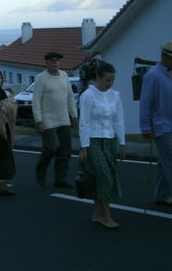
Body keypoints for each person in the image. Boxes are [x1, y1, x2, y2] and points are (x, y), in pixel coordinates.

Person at [78, 61, 125, 228]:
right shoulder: (88, 95)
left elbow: (118, 120)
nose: (110, 83)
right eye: (107, 80)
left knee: (105, 177)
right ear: (98, 78)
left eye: (112, 80)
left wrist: (122, 142)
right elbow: (84, 122)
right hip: (93, 141)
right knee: (104, 177)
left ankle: (97, 214)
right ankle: (107, 216)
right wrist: (84, 147)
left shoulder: (115, 95)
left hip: (109, 140)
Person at [32, 51, 78, 187]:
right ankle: (40, 172)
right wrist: (38, 121)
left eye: (57, 61)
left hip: (64, 119)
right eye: (52, 61)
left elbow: (70, 97)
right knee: (51, 148)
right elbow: (36, 101)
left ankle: (60, 179)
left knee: (65, 151)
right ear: (46, 62)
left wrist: (74, 115)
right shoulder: (41, 78)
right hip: (47, 120)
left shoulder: (64, 76)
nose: (55, 63)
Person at [139, 40, 172, 206]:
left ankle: (161, 194)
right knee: (170, 160)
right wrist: (145, 126)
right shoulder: (153, 75)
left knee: (164, 162)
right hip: (162, 126)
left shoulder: (170, 73)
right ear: (165, 57)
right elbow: (146, 102)